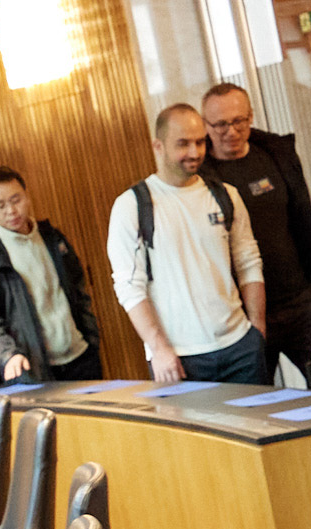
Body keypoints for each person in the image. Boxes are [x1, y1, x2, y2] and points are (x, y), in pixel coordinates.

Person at [107, 102, 271, 385]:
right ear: (158, 146)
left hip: (240, 348)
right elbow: (129, 287)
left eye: (200, 142)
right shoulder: (132, 205)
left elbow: (249, 262)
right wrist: (159, 349)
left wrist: (256, 328)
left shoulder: (226, 195)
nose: (194, 153)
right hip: (179, 358)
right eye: (183, 144)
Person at [200, 82, 311, 385]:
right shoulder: (199, 178)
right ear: (205, 125)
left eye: (239, 121)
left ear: (251, 116)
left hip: (299, 299)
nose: (231, 132)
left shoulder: (276, 154)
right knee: (256, 400)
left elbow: (303, 220)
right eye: (220, 125)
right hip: (243, 312)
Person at [0, 165, 106, 383]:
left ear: (27, 195)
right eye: (0, 206)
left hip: (81, 356)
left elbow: (78, 288)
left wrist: (91, 336)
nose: (11, 211)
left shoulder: (51, 237)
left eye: (16, 200)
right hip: (37, 369)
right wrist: (9, 354)